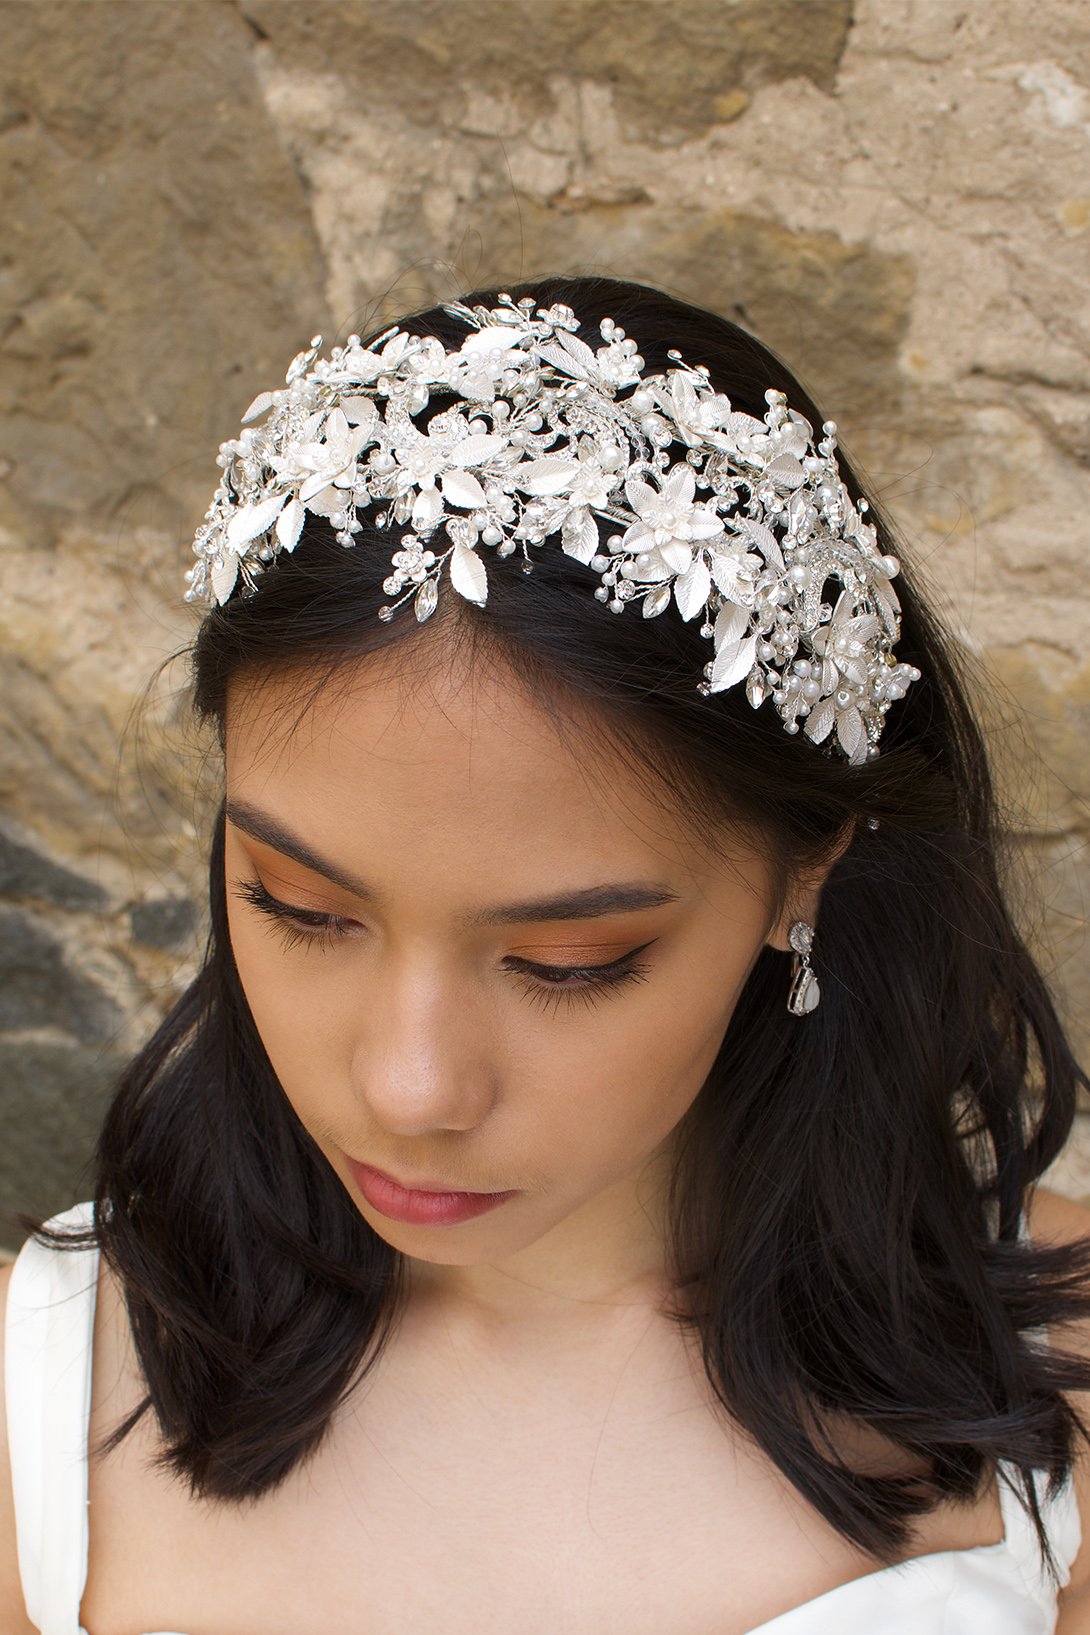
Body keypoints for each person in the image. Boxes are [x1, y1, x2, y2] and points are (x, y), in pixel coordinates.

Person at [3, 273, 1090, 1634]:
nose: (407, 1088)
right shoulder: (38, 1392)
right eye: (298, 906)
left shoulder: (1058, 1379)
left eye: (567, 962)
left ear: (804, 864)